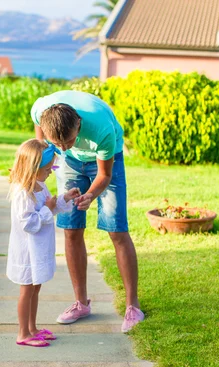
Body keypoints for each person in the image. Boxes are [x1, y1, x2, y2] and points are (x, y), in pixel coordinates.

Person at [31, 90, 145, 333]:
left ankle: (133, 306)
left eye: (68, 141)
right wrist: (46, 152)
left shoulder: (101, 129)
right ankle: (81, 303)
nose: (62, 147)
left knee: (116, 230)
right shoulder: (42, 110)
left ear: (79, 125)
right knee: (71, 229)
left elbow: (104, 175)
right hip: (71, 166)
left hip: (104, 160)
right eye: (57, 143)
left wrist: (91, 195)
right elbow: (41, 139)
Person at [7, 139, 81, 347]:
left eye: (52, 167)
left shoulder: (39, 186)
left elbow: (48, 209)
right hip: (27, 252)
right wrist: (48, 208)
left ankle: (32, 328)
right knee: (27, 291)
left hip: (38, 249)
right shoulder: (23, 193)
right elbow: (29, 224)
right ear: (33, 168)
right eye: (48, 168)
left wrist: (64, 199)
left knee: (36, 288)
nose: (51, 172)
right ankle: (23, 333)